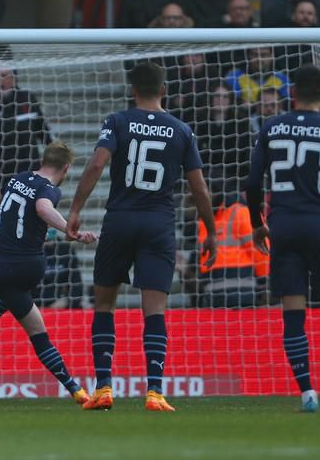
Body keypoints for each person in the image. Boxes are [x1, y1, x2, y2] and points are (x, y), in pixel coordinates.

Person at [66, 62, 218, 412]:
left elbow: (96, 165)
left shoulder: (117, 121)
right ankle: (154, 392)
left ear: (132, 90)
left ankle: (103, 387)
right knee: (155, 311)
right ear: (163, 90)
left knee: (105, 304)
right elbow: (199, 187)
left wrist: (75, 210)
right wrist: (210, 231)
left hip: (120, 220)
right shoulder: (181, 130)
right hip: (158, 224)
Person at [245, 65, 320, 413]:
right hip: (318, 222)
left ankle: (306, 393)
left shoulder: (270, 126)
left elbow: (253, 183)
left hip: (281, 224)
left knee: (292, 311)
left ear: (292, 94)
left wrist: (257, 222)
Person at [0, 141, 97, 404]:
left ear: (43, 161)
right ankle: (76, 389)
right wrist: (69, 230)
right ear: (65, 168)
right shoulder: (49, 189)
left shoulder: (17, 177)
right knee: (39, 334)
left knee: (13, 294)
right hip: (27, 266)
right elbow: (42, 207)